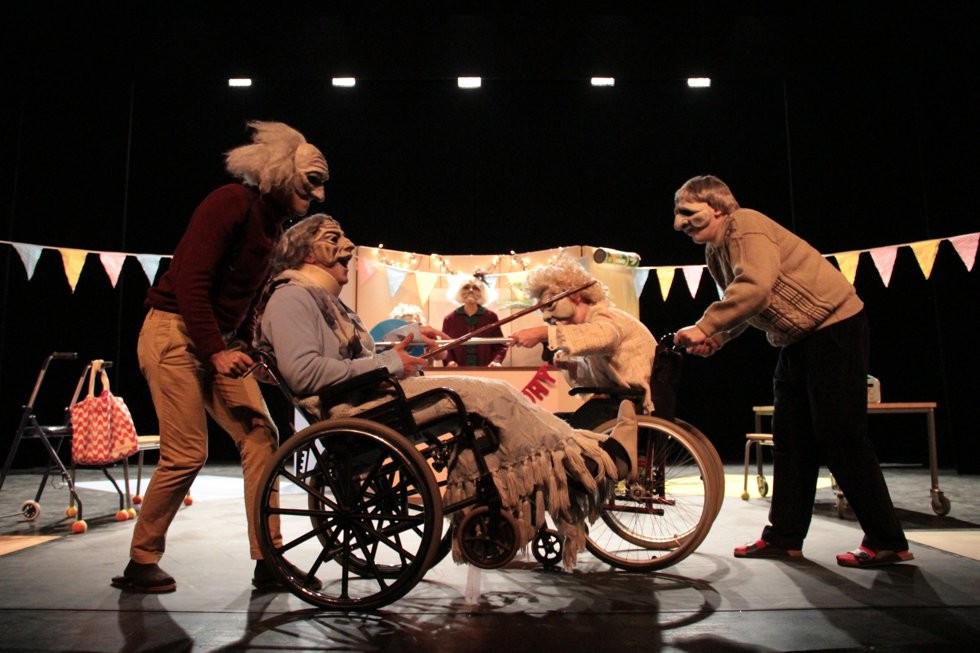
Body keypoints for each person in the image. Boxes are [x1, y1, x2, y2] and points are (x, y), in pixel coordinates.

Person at [254, 215, 639, 567]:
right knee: (491, 397)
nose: (348, 246)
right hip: (356, 408)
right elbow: (306, 374)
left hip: (369, 397)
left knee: (493, 398)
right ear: (307, 253)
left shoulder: (317, 299)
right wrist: (391, 363)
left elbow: (350, 356)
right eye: (333, 238)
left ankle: (564, 469)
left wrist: (403, 339)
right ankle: (578, 468)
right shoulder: (291, 298)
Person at [111, 121, 330, 594]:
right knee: (188, 452)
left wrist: (244, 345)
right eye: (312, 181)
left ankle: (268, 559)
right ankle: (141, 560)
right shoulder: (230, 202)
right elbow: (191, 281)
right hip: (174, 331)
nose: (318, 195)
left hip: (218, 339)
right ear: (281, 171)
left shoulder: (272, 226)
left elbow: (246, 297)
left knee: (261, 436)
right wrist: (215, 350)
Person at [671, 174, 912, 568]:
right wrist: (718, 336)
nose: (680, 223)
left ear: (716, 207)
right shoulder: (716, 252)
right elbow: (742, 302)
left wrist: (705, 325)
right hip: (798, 338)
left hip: (834, 326)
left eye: (687, 212)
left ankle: (887, 540)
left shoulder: (745, 225)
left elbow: (755, 288)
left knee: (840, 433)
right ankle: (784, 538)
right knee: (791, 438)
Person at [510, 254, 658, 427]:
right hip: (618, 403)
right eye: (542, 311)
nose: (546, 317)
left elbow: (604, 337)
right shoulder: (592, 324)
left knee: (564, 430)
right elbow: (602, 373)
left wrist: (543, 333)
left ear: (576, 295)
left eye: (550, 305)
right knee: (553, 423)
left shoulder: (606, 317)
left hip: (628, 406)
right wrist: (573, 366)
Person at [441, 274, 508, 367]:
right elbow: (445, 345)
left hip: (485, 369)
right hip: (458, 371)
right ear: (459, 292)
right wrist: (449, 361)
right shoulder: (450, 319)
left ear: (482, 293)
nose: (471, 290)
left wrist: (496, 361)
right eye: (466, 287)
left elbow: (499, 345)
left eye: (476, 288)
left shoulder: (490, 317)